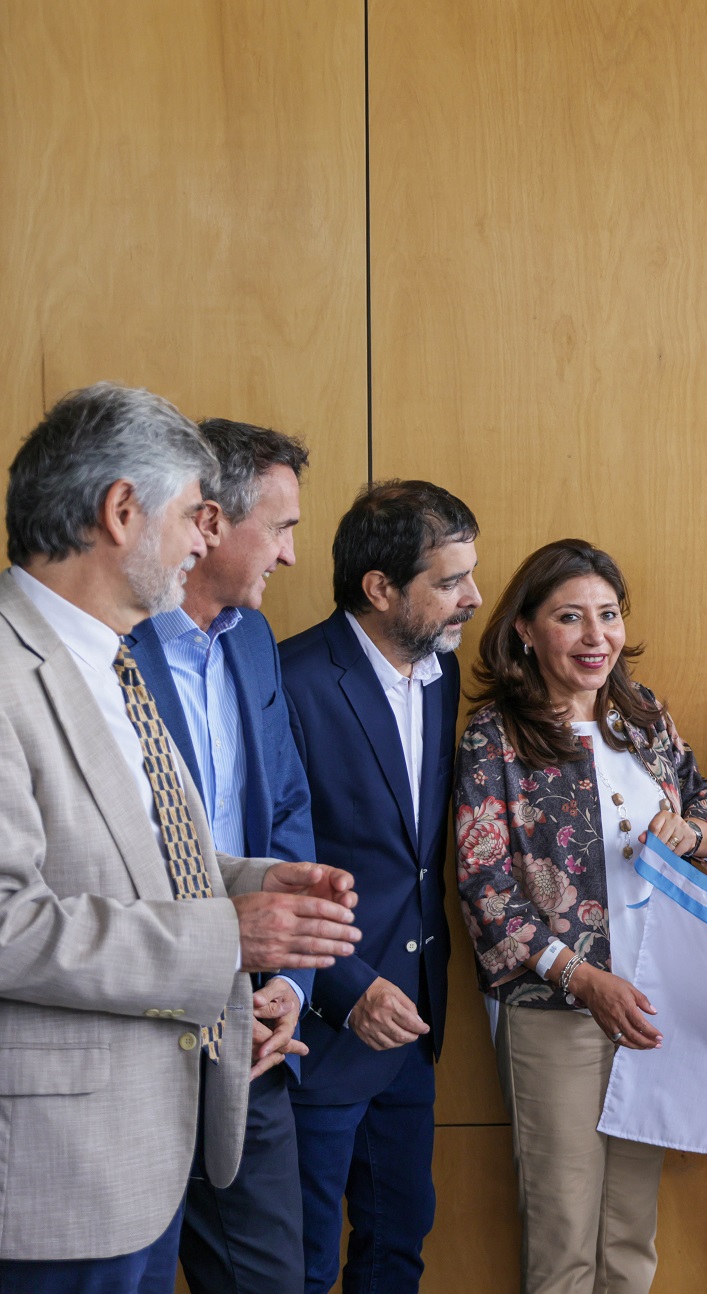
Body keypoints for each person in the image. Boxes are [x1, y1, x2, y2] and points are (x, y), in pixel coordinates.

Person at [0, 382, 359, 1291]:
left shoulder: (110, 660)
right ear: (122, 511)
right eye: (195, 515)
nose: (206, 539)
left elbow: (143, 855)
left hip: (156, 1145)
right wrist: (228, 935)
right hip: (59, 1170)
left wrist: (260, 880)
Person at [455, 539, 707, 1294]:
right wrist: (584, 979)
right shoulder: (496, 738)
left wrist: (695, 833)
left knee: (629, 1235)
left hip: (650, 1003)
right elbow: (485, 889)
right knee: (565, 1233)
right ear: (526, 630)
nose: (595, 637)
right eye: (570, 618)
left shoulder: (643, 719)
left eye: (607, 616)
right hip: (557, 1008)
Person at [126, 416, 318, 1294]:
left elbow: (283, 814)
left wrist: (290, 983)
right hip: (132, 1037)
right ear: (209, 523)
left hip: (254, 1040)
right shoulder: (104, 649)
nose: (287, 556)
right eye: (279, 528)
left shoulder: (252, 641)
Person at [280, 480, 480, 1293]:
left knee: (399, 1248)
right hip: (324, 1026)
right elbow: (267, 858)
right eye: (449, 581)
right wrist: (347, 990)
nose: (473, 597)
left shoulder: (443, 674)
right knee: (299, 1264)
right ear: (380, 588)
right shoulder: (289, 678)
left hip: (415, 1023)